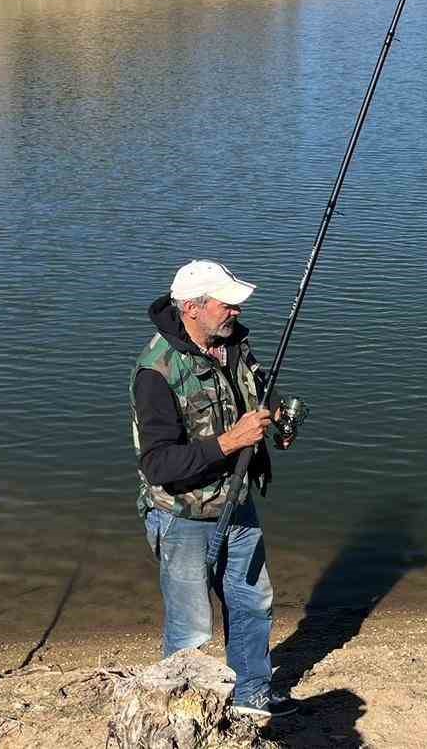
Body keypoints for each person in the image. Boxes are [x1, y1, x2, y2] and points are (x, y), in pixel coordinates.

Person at [130, 259, 299, 720]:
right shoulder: (156, 372)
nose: (236, 313)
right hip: (181, 515)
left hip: (238, 504)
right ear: (192, 307)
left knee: (252, 601)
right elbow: (158, 463)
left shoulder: (236, 346)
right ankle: (186, 716)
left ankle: (251, 696)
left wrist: (277, 423)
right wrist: (231, 441)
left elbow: (257, 398)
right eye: (227, 305)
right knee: (191, 627)